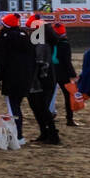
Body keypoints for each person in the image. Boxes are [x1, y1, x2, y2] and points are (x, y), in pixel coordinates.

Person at [0, 13, 34, 143]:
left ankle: (18, 136)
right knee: (17, 105)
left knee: (13, 108)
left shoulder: (5, 38)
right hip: (26, 77)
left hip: (11, 78)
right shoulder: (25, 37)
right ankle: (18, 134)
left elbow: (2, 60)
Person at [24, 15, 62, 145]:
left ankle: (52, 134)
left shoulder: (41, 44)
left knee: (42, 109)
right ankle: (46, 133)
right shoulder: (42, 42)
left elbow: (40, 64)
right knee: (39, 108)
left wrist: (33, 78)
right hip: (43, 80)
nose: (28, 32)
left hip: (41, 82)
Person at [53, 24, 79, 126]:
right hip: (63, 74)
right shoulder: (65, 44)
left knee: (49, 97)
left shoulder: (50, 43)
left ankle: (48, 116)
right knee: (68, 97)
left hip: (52, 72)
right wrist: (72, 74)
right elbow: (67, 61)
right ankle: (69, 119)